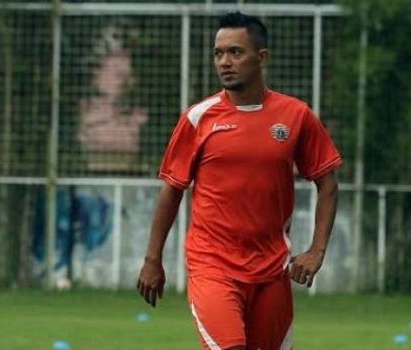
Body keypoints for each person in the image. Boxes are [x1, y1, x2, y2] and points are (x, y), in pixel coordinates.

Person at [136, 12, 341, 350]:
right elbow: (172, 191)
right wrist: (152, 260)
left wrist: (317, 250)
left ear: (262, 58)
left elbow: (328, 185)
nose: (224, 62)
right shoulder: (198, 118)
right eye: (218, 54)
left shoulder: (295, 116)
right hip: (212, 265)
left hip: (272, 270)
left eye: (235, 52)